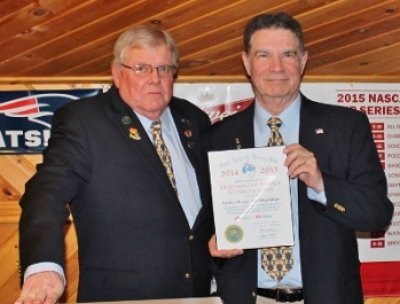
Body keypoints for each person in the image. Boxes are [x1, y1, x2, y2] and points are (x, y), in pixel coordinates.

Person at [15, 25, 214, 304]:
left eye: (164, 69)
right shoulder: (84, 121)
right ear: (117, 73)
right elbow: (45, 192)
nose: (154, 79)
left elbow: (209, 202)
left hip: (199, 295)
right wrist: (44, 266)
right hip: (121, 297)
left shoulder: (194, 119)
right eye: (142, 68)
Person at [207, 12, 393, 304]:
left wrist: (321, 183)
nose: (277, 67)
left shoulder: (346, 127)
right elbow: (204, 227)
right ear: (247, 62)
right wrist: (213, 247)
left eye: (288, 54)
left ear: (303, 60)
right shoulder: (218, 138)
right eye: (264, 55)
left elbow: (378, 214)